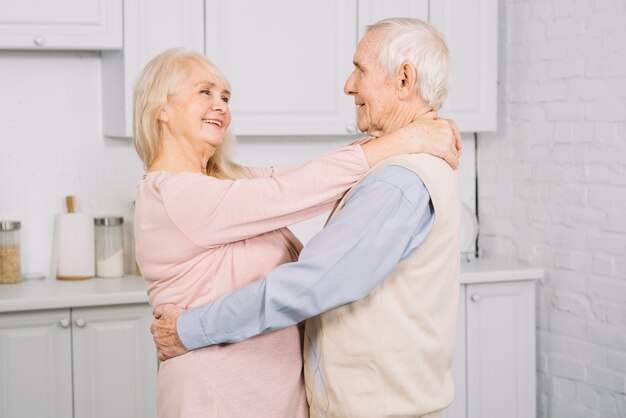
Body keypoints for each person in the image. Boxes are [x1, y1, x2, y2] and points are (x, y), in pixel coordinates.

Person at [152, 17, 461, 418]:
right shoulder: (179, 191)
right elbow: (287, 186)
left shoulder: (397, 181)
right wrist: (402, 138)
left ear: (404, 80)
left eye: (360, 70)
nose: (348, 85)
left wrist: (190, 329)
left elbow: (310, 283)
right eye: (204, 93)